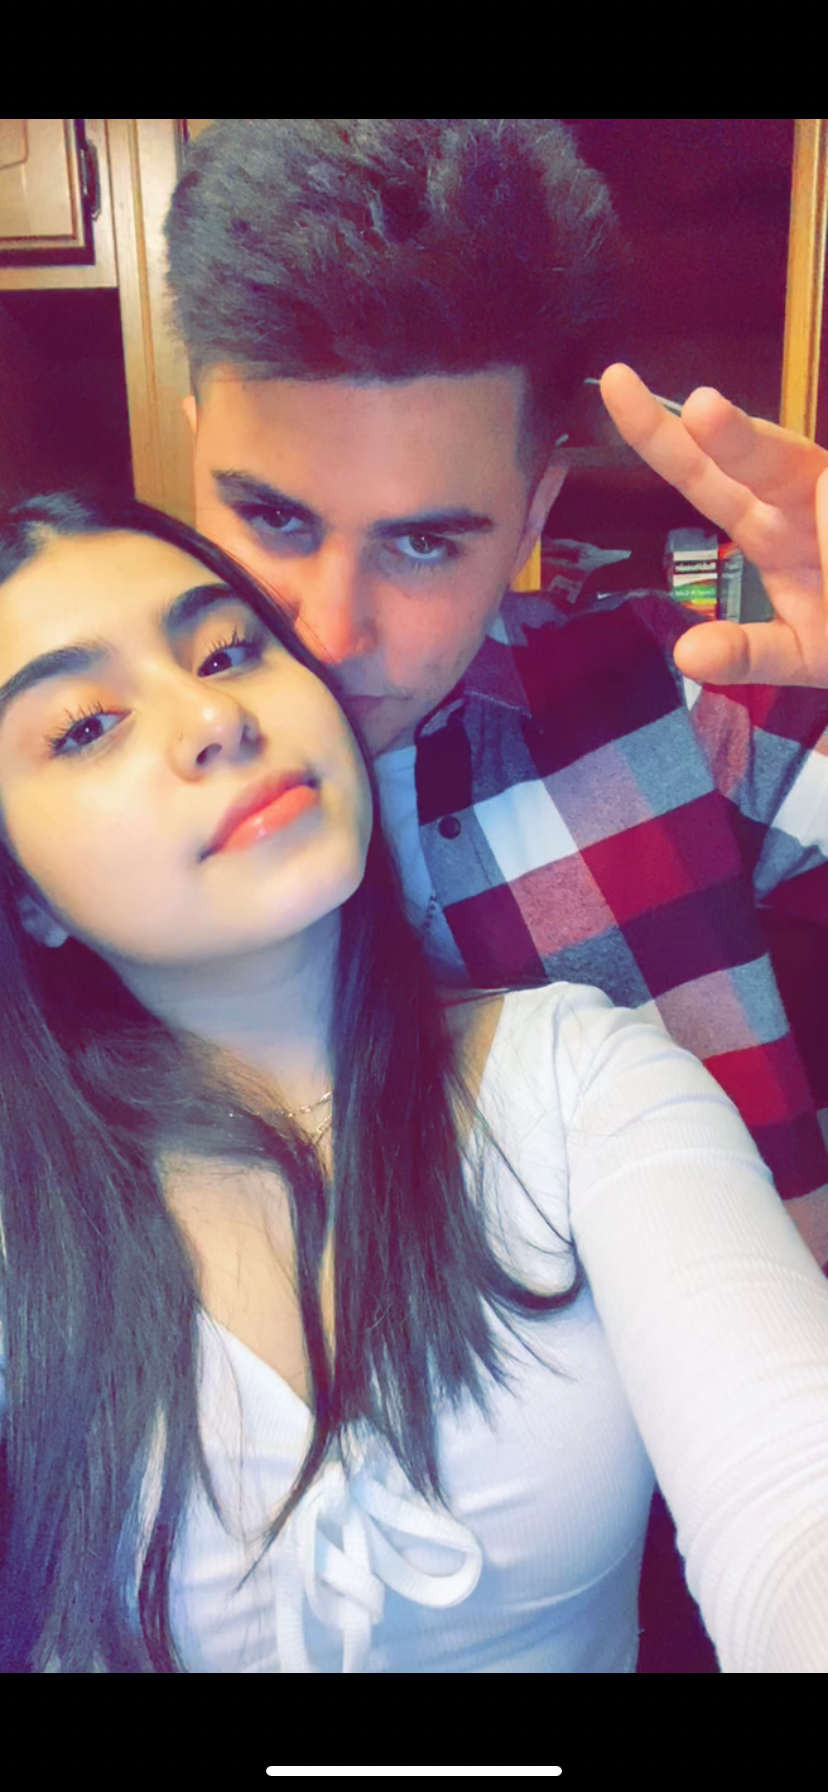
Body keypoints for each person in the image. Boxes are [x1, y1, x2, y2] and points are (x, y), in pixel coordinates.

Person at [164, 120, 828, 1672]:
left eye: (424, 542)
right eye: (270, 517)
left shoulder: (668, 705)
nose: (328, 628)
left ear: (533, 515)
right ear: (196, 436)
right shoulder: (89, 818)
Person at [1, 493, 828, 1676]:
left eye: (227, 650)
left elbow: (795, 1499)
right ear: (24, 893)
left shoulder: (583, 1084)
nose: (214, 717)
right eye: (85, 726)